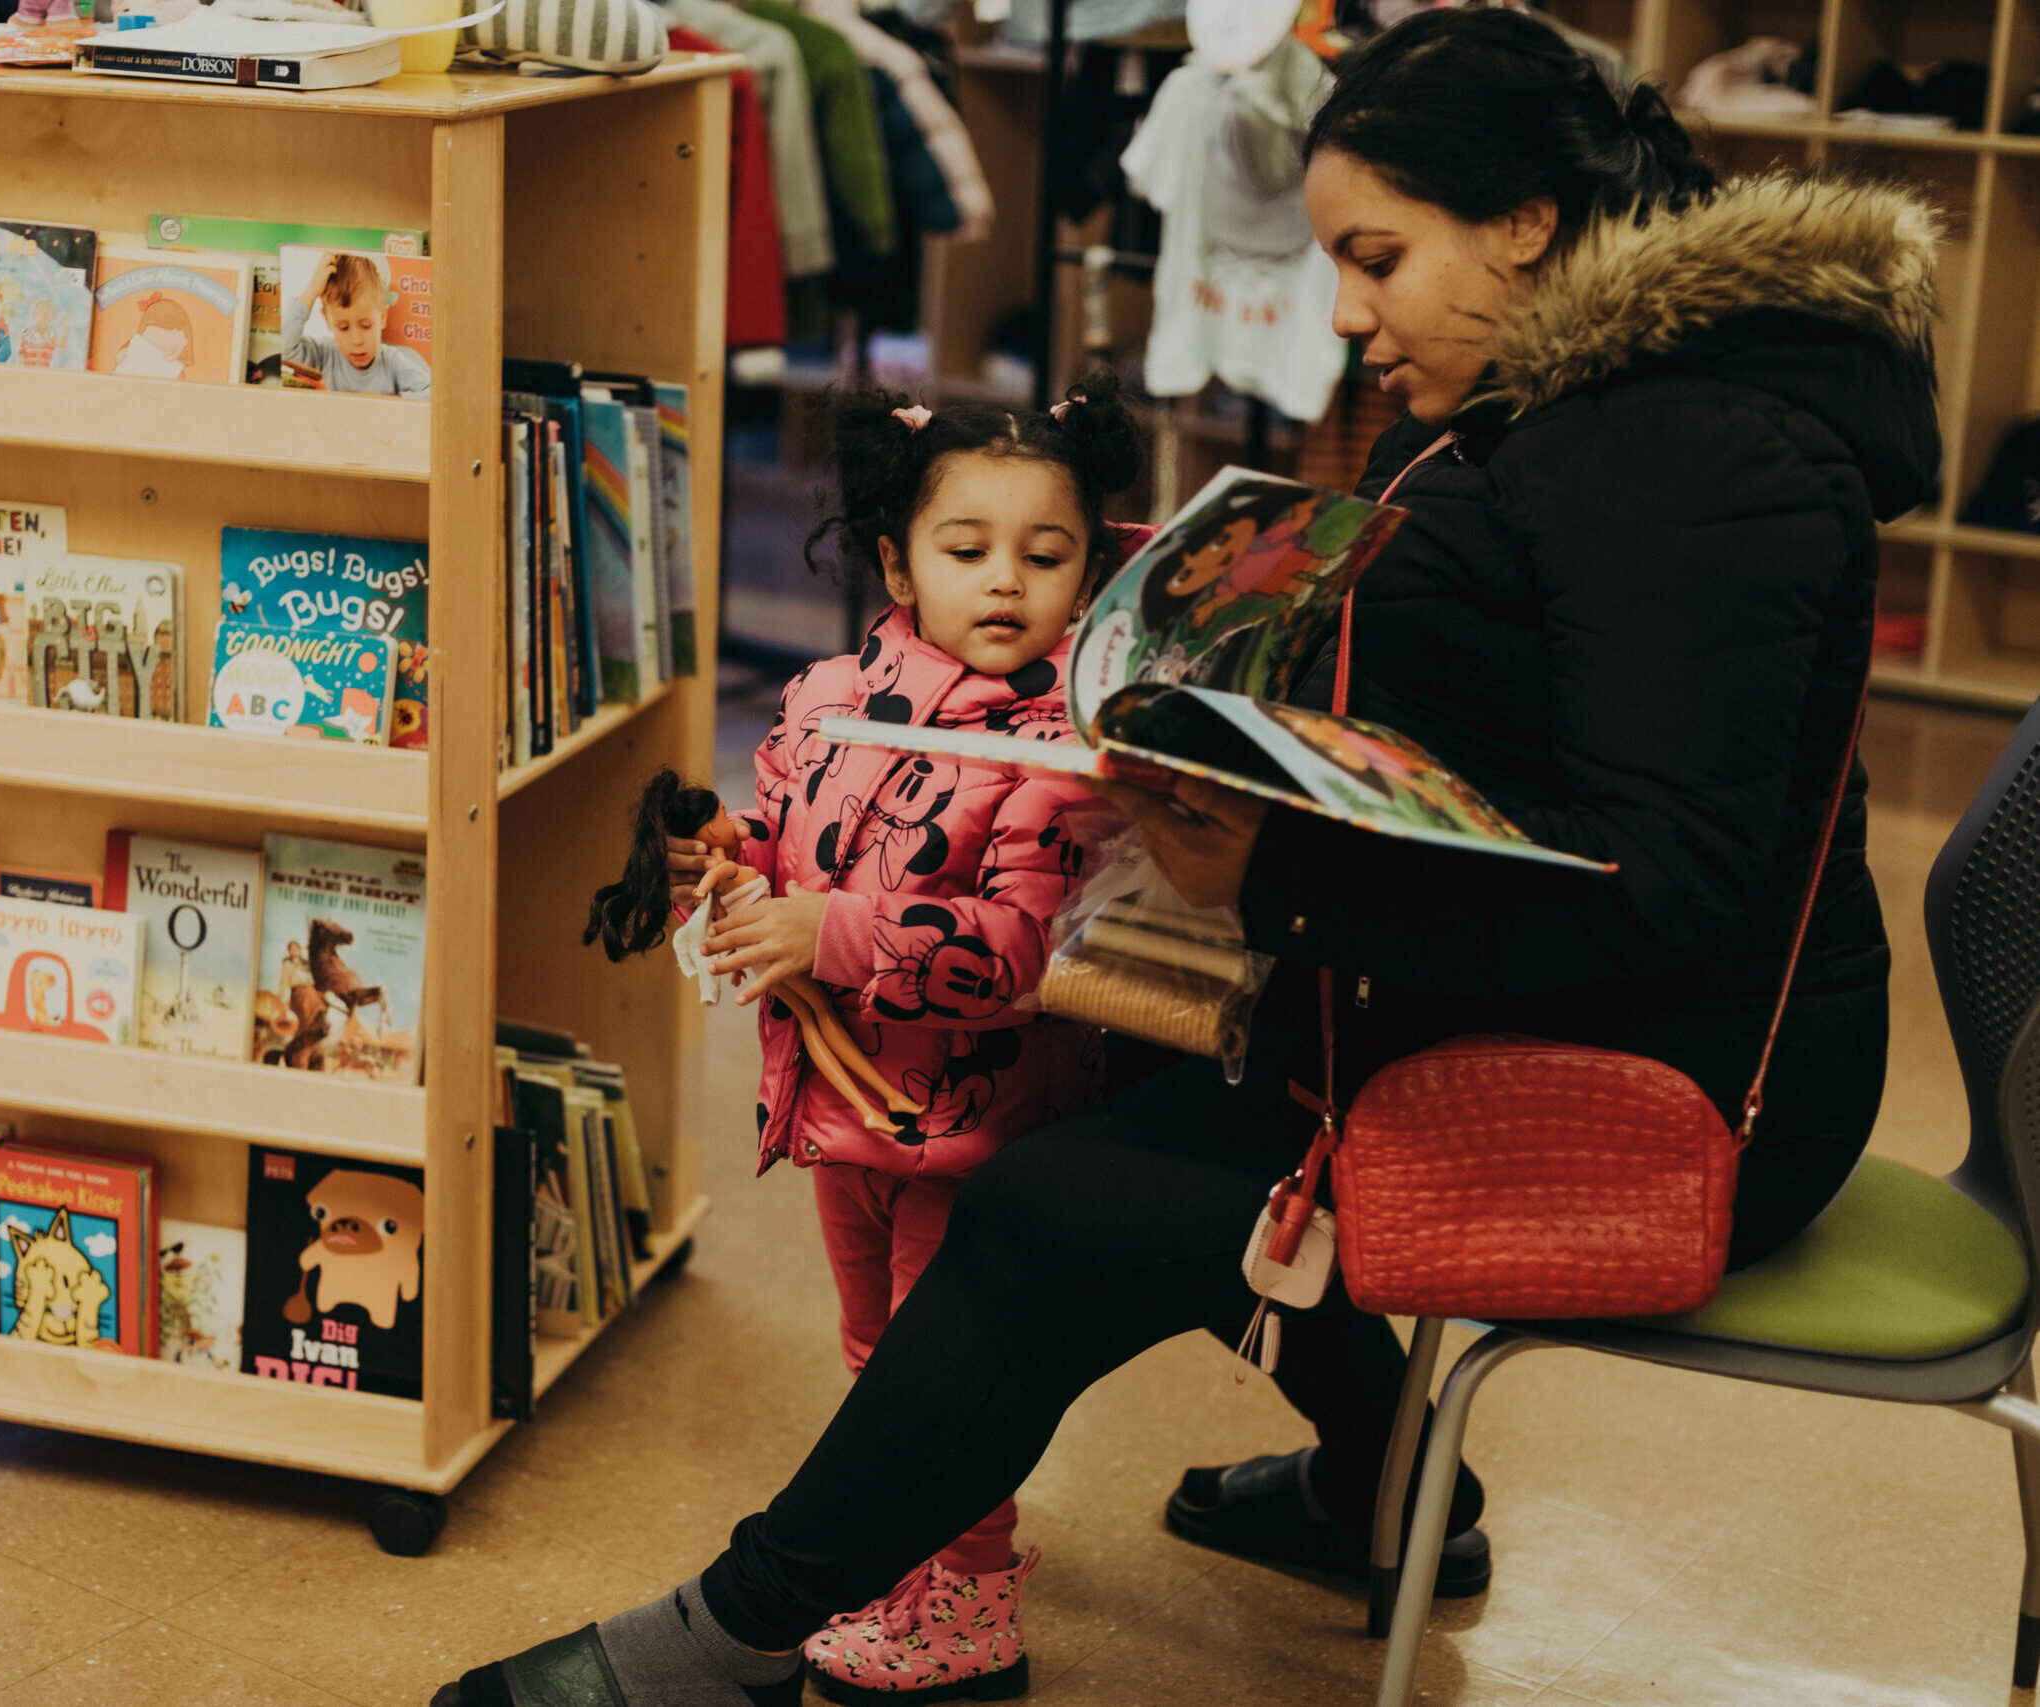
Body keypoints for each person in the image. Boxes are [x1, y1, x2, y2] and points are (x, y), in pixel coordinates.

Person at [432, 10, 1938, 1704]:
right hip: (1509, 1003)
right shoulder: (1576, 401)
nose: (1348, 308)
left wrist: (1269, 875)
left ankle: (737, 1632)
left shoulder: (1692, 453)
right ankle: (1385, 1494)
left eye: (1378, 257)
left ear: (1523, 221)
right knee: (1151, 1129)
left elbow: (1666, 880)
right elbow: (1522, 725)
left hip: (1677, 1100)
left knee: (1056, 1210)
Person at [583, 378, 1144, 1703]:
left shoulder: (1065, 745)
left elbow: (1022, 954)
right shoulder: (829, 697)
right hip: (841, 1105)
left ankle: (971, 1606)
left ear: (1094, 566)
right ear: (897, 557)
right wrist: (728, 859)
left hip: (982, 1117)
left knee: (948, 1365)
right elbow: (787, 850)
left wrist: (825, 930)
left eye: (1046, 553)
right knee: (874, 1351)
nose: (1005, 581)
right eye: (966, 548)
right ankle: (902, 1551)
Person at [283, 251, 430, 398]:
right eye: (344, 328)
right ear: (328, 321)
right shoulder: (323, 354)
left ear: (383, 317)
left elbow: (431, 392)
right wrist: (312, 290)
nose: (356, 340)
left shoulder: (391, 360)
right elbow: (283, 348)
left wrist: (389, 402)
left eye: (366, 326)